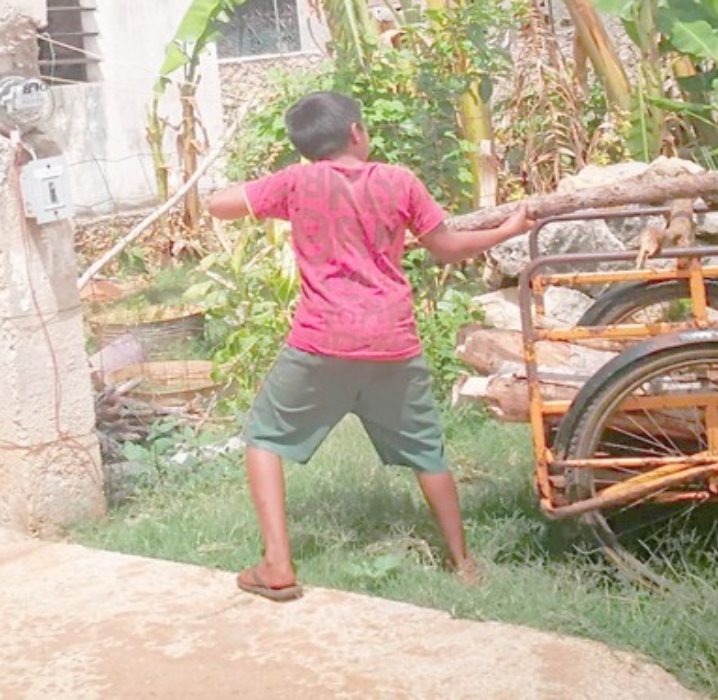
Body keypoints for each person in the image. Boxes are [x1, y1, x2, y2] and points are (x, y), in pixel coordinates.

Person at [206, 90, 534, 602]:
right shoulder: (398, 181)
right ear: (357, 133)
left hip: (320, 342)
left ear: (306, 146)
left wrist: (269, 195)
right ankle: (464, 563)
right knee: (428, 452)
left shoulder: (297, 182)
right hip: (392, 342)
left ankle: (277, 563)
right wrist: (506, 229)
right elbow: (446, 248)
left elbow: (219, 205)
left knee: (264, 439)